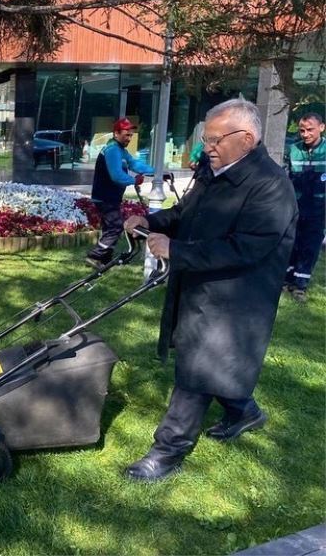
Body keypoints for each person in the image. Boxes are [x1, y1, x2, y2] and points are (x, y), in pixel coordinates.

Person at [122, 98, 298, 482]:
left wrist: (177, 251)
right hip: (202, 286)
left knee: (198, 368)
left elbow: (247, 247)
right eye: (206, 138)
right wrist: (151, 221)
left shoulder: (271, 186)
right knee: (208, 360)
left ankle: (167, 450)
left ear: (246, 139)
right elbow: (185, 215)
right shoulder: (213, 173)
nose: (208, 147)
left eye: (216, 139)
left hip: (236, 299)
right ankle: (244, 411)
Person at [85, 117, 154, 269]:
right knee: (115, 227)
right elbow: (116, 175)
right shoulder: (112, 150)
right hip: (105, 197)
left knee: (109, 228)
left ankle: (105, 260)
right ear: (116, 133)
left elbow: (134, 164)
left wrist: (157, 171)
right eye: (126, 135)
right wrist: (134, 181)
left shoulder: (121, 151)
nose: (129, 138)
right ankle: (94, 256)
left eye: (131, 135)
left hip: (110, 197)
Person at [283, 112, 326, 302]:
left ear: (321, 128)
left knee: (310, 246)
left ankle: (300, 286)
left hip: (319, 209)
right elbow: (287, 177)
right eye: (302, 130)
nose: (305, 134)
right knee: (292, 244)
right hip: (295, 207)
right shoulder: (293, 150)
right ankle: (286, 281)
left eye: (310, 130)